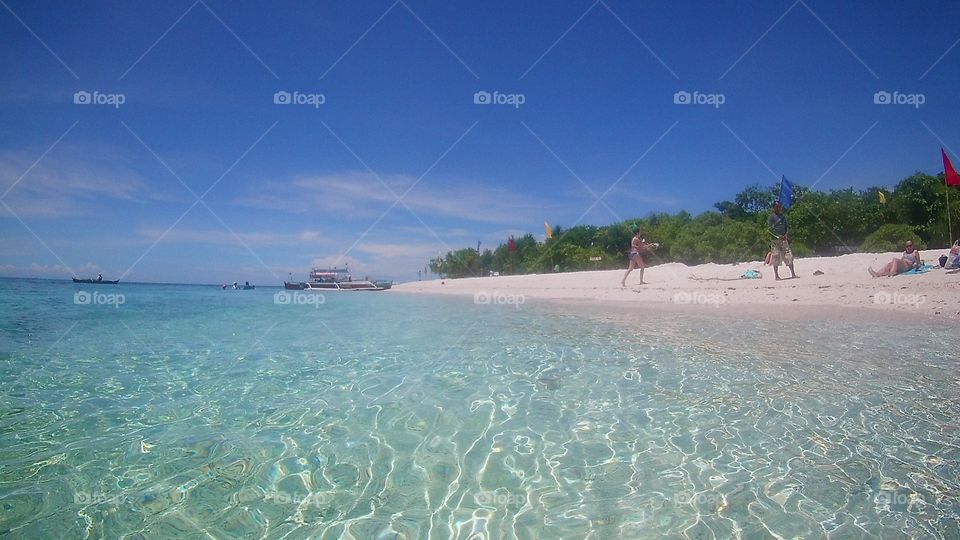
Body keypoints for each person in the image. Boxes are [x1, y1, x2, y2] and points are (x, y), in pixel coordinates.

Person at [767, 202, 797, 280]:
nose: (778, 208)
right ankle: (776, 276)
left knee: (789, 255)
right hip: (775, 240)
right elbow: (770, 229)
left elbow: (786, 227)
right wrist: (778, 236)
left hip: (784, 240)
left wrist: (786, 234)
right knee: (776, 257)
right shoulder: (771, 217)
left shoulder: (783, 217)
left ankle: (793, 274)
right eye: (776, 207)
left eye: (779, 206)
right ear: (773, 208)